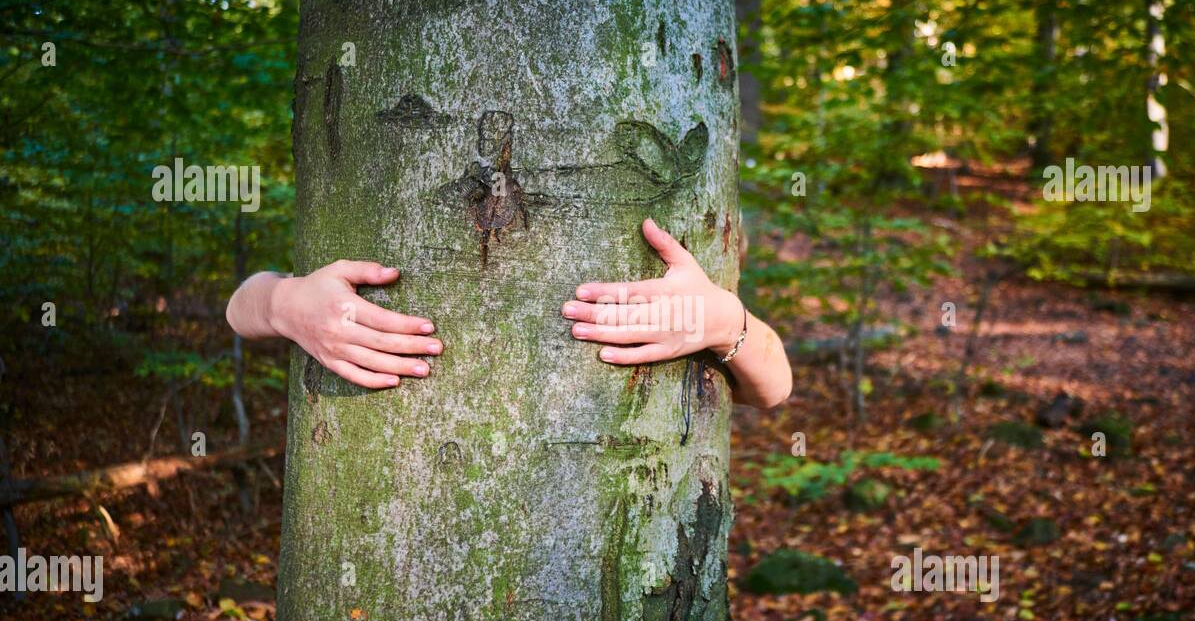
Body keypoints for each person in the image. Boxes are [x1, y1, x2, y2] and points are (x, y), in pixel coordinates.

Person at [226, 217, 791, 408]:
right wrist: (282, 300)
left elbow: (773, 389)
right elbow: (238, 307)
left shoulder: (702, 272)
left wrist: (725, 321)